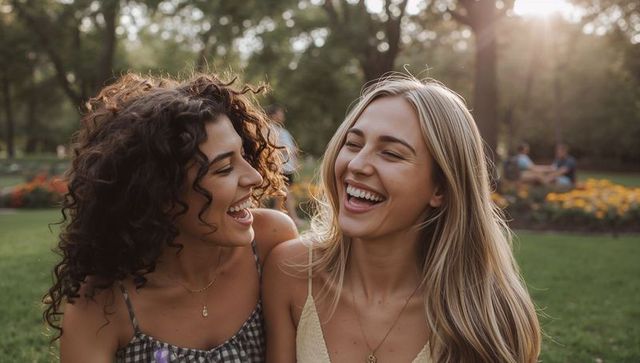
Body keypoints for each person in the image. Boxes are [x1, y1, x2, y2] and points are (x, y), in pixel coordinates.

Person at [263, 75, 541, 362]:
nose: (356, 165)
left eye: (391, 154)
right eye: (354, 144)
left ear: (440, 188)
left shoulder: (489, 317)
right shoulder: (290, 272)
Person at [43, 73, 298, 362]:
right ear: (160, 195)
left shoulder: (270, 243)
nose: (253, 176)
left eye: (243, 155)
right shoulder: (102, 304)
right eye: (224, 169)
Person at [266, 105, 304, 227]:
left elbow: (292, 147)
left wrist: (295, 160)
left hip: (288, 167)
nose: (282, 115)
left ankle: (275, 218)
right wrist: (287, 150)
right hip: (280, 167)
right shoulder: (269, 129)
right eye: (280, 112)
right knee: (286, 193)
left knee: (280, 196)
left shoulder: (283, 130)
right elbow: (271, 147)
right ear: (273, 115)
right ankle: (294, 219)